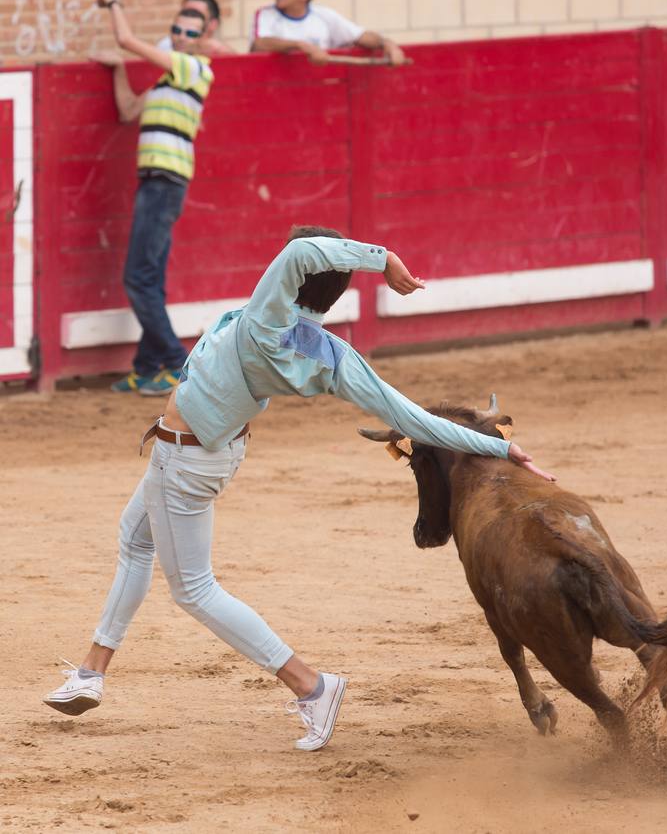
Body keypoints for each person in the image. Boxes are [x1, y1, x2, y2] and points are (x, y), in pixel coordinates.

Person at [43, 228, 556, 752]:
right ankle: (91, 671)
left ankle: (311, 686)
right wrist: (499, 448)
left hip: (187, 462)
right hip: (205, 453)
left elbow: (299, 252)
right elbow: (414, 420)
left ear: (294, 279)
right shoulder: (332, 356)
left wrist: (383, 260)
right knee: (135, 540)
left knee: (194, 589)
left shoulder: (268, 317)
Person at [91, 0, 214, 396]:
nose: (180, 37)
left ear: (201, 39)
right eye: (175, 30)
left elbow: (126, 38)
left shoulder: (194, 68)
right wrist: (120, 72)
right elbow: (128, 109)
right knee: (151, 278)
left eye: (189, 32)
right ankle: (147, 369)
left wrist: (113, 3)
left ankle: (179, 363)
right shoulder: (169, 80)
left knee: (137, 278)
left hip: (165, 182)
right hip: (156, 181)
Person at [249, 0, 406, 66]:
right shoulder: (266, 14)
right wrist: (300, 45)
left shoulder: (324, 16)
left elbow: (362, 36)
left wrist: (388, 44)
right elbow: (259, 44)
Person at [156, 0, 234, 56]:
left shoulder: (220, 50)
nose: (188, 17)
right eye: (185, 12)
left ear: (213, 24)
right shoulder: (166, 46)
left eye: (196, 14)